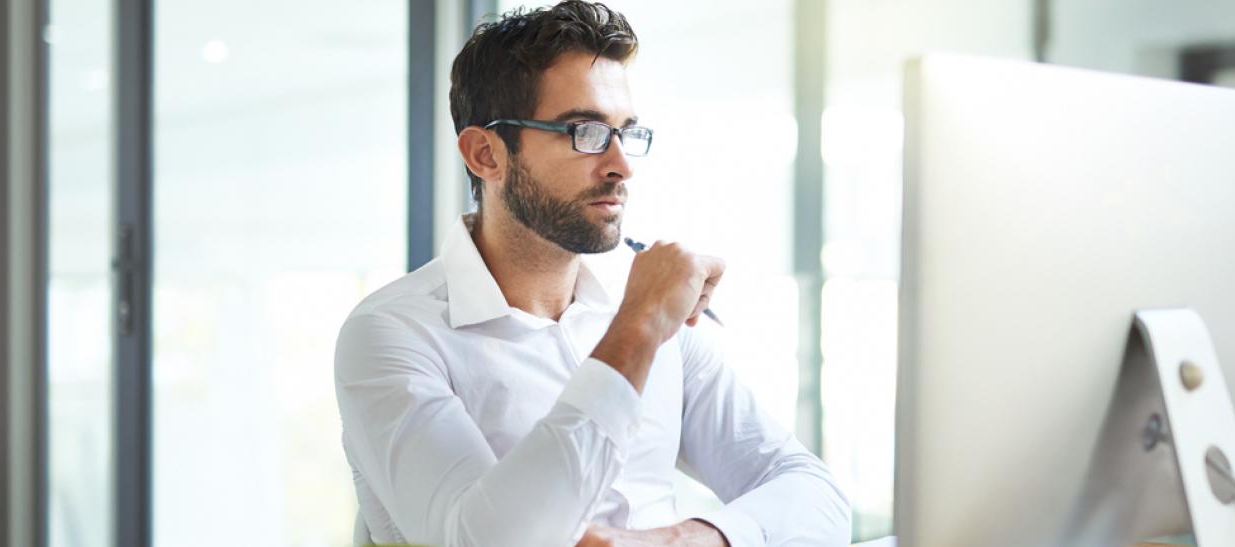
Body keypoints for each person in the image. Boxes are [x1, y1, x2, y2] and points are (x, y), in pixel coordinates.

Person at [334, 2, 851, 545]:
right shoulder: (391, 334)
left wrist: (675, 540)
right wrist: (639, 328)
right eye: (584, 131)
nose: (621, 164)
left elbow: (813, 493)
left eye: (626, 132)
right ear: (485, 154)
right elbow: (481, 539)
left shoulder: (649, 311)